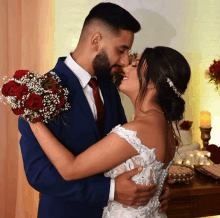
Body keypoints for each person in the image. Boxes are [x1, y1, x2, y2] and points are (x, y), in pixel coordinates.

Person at [19, 3, 170, 218]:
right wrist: (110, 190)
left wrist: (153, 184)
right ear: (96, 40)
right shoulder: (39, 92)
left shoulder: (109, 87)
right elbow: (39, 174)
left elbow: (125, 149)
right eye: (121, 49)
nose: (126, 60)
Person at [29, 46, 191, 218]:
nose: (126, 66)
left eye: (135, 65)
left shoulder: (135, 132)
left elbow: (70, 169)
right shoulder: (165, 128)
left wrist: (32, 118)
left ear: (153, 82)